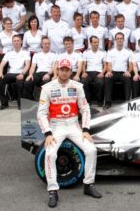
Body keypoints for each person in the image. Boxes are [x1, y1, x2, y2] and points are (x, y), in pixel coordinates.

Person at [37, 58, 102, 208]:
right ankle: (53, 190)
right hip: (56, 126)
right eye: (62, 69)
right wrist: (47, 133)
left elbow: (85, 109)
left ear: (70, 71)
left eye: (67, 69)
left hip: (73, 125)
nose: (64, 72)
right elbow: (41, 113)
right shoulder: (47, 88)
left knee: (91, 149)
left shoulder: (78, 86)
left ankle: (88, 185)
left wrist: (85, 129)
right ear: (57, 70)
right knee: (50, 154)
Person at [0, 35, 30, 110]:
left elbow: (27, 65)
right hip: (10, 74)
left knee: (19, 82)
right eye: (14, 41)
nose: (16, 42)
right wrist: (0, 74)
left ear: (21, 42)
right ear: (12, 43)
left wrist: (22, 74)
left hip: (21, 73)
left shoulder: (26, 53)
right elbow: (1, 66)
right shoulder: (8, 53)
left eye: (18, 41)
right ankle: (4, 103)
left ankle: (20, 103)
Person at [103, 32, 132, 108]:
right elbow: (108, 64)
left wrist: (128, 71)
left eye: (121, 38)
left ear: (124, 40)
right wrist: (109, 71)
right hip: (113, 72)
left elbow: (131, 65)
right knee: (107, 78)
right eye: (118, 38)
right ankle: (108, 102)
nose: (119, 40)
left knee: (128, 79)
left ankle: (127, 102)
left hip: (124, 73)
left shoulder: (128, 51)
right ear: (115, 40)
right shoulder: (110, 51)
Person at [25, 37, 56, 101]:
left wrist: (48, 74)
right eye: (45, 43)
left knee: (46, 83)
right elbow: (33, 67)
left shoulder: (54, 55)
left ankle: (44, 102)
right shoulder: (36, 55)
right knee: (28, 83)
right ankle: (31, 101)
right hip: (38, 73)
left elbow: (54, 67)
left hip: (48, 73)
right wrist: (30, 74)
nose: (47, 45)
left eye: (48, 43)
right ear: (41, 44)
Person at [81, 36, 106, 106]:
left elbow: (105, 66)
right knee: (83, 82)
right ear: (90, 43)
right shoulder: (86, 52)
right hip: (88, 72)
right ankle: (87, 100)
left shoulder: (103, 52)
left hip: (99, 72)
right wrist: (84, 72)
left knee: (100, 83)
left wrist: (102, 73)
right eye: (94, 42)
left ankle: (100, 101)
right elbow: (84, 64)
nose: (96, 44)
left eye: (97, 42)